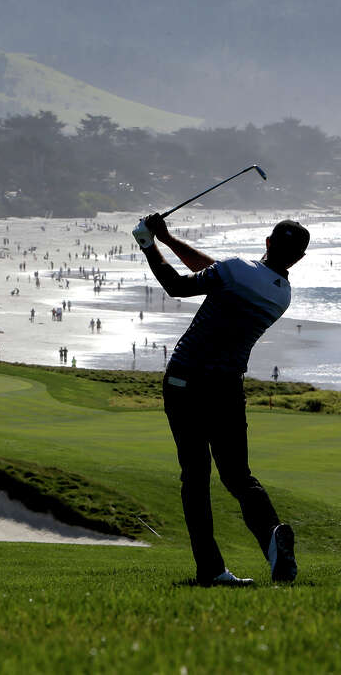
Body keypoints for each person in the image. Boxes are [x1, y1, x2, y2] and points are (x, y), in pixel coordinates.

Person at [133, 213, 308, 587]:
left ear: (267, 242)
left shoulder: (235, 271)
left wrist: (149, 244)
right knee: (238, 476)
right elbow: (211, 270)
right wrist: (168, 238)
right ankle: (272, 536)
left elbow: (179, 286)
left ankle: (211, 570)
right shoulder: (280, 295)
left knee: (195, 478)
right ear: (298, 259)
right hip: (227, 387)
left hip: (185, 380)